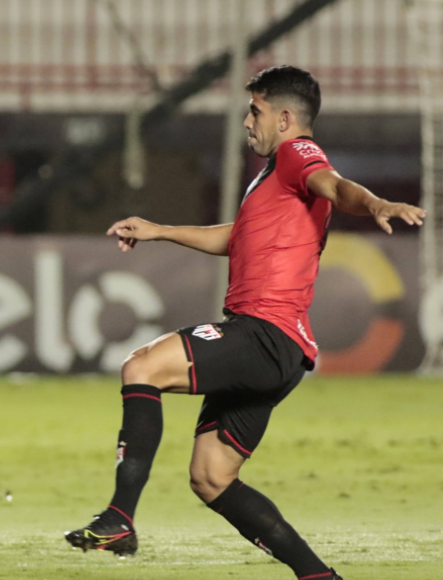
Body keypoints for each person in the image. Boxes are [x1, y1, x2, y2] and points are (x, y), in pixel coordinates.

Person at [64, 66, 425, 580]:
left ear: (284, 117)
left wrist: (376, 204)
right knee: (211, 477)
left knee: (141, 366)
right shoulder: (273, 181)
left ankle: (120, 519)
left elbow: (336, 186)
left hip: (262, 334)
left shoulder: (297, 155)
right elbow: (236, 237)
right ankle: (320, 577)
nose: (246, 120)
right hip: (282, 353)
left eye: (254, 110)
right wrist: (158, 230)